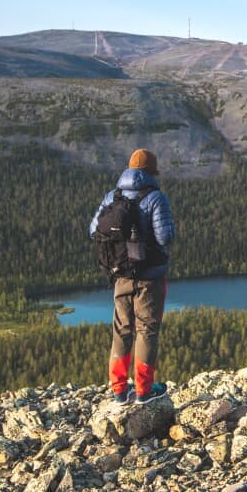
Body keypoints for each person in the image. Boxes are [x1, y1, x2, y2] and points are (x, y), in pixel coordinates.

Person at [89, 148, 176, 404]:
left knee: (122, 330)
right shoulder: (156, 198)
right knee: (146, 331)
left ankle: (118, 390)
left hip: (120, 275)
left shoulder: (112, 196)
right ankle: (143, 391)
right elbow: (165, 237)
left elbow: (94, 230)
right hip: (149, 277)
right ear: (152, 172)